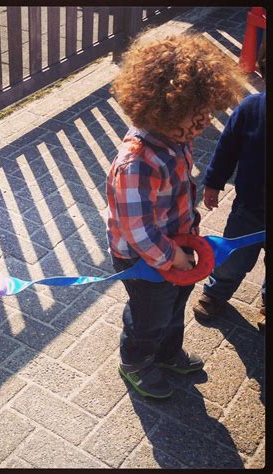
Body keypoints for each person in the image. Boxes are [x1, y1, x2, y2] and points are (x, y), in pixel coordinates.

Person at [106, 31, 246, 399]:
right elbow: (138, 231)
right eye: (195, 118)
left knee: (174, 306)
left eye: (206, 116)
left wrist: (184, 248)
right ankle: (136, 361)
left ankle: (167, 353)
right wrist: (173, 257)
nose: (203, 125)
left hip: (176, 247)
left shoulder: (175, 136)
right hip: (144, 258)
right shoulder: (137, 162)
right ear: (162, 108)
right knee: (148, 316)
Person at [193, 36, 266, 330]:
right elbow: (227, 148)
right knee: (233, 255)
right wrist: (213, 182)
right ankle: (216, 291)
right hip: (249, 207)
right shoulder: (250, 108)